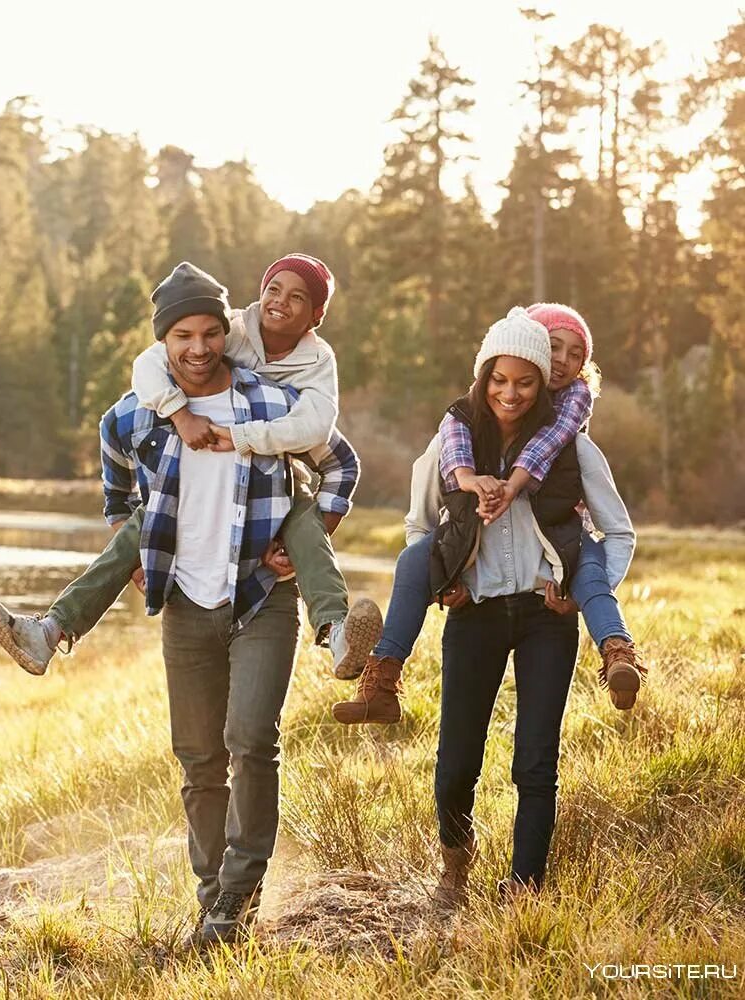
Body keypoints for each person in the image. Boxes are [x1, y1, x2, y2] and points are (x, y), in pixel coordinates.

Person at [93, 263, 357, 945]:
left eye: (211, 333)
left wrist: (308, 535)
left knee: (251, 740)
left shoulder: (269, 402)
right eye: (183, 335)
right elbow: (113, 463)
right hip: (184, 599)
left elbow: (340, 460)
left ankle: (237, 896)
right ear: (164, 343)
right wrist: (130, 538)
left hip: (261, 595)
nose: (201, 347)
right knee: (198, 758)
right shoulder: (140, 409)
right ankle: (214, 900)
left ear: (225, 334)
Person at [0, 253, 379, 681]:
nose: (279, 302)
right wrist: (179, 414)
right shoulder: (230, 332)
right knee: (144, 522)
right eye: (273, 290)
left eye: (297, 297)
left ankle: (337, 632)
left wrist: (299, 533)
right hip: (194, 492)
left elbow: (323, 432)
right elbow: (149, 364)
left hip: (278, 482)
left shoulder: (316, 365)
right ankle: (49, 631)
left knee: (304, 521)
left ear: (316, 315)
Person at [392, 308, 635, 902]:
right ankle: (455, 865)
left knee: (535, 762)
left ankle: (524, 887)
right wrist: (446, 578)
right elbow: (418, 525)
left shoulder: (572, 448)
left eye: (525, 381)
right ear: (486, 376)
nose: (511, 392)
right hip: (474, 613)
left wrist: (578, 595)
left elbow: (618, 533)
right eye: (501, 380)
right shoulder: (454, 442)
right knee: (455, 762)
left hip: (543, 619)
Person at [332, 302, 644, 725]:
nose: (564, 362)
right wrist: (447, 569)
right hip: (476, 582)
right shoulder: (463, 421)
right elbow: (429, 499)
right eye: (554, 347)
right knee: (413, 558)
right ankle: (383, 676)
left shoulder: (570, 416)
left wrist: (511, 486)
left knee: (588, 567)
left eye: (576, 355)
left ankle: (617, 650)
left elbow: (549, 446)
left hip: (560, 542)